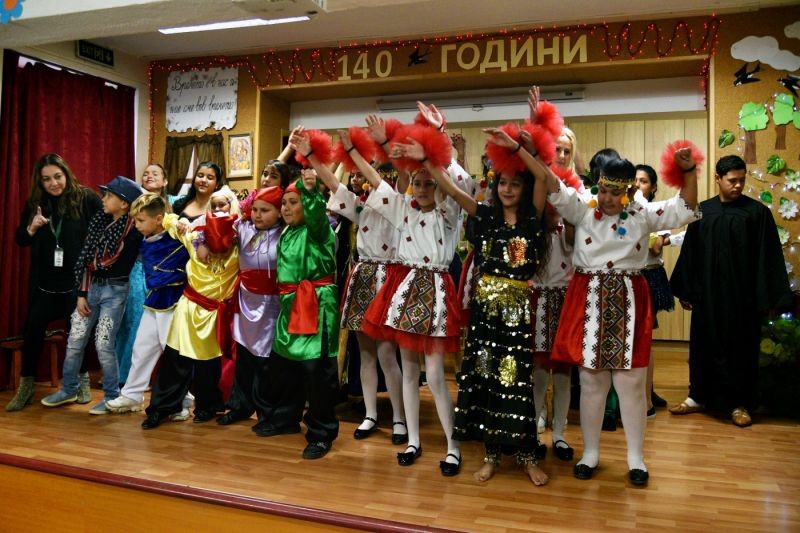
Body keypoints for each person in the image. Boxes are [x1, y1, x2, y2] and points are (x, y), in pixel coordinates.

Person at [546, 146, 699, 486]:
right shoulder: (584, 207)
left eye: (615, 192)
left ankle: (636, 459)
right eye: (603, 190)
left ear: (629, 190)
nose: (607, 198)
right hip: (589, 299)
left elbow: (685, 208)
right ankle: (590, 454)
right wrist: (529, 150)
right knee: (591, 383)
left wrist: (689, 172)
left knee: (631, 384)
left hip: (629, 300)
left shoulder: (642, 213)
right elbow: (552, 185)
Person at [363, 112, 470, 476]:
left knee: (436, 375)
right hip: (407, 291)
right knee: (409, 371)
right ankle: (413, 440)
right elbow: (379, 179)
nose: (422, 188)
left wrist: (437, 135)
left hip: (437, 291)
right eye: (417, 183)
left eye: (429, 183)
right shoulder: (404, 210)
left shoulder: (449, 214)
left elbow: (457, 182)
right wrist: (382, 143)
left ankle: (453, 445)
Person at [448, 119, 550, 485]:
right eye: (502, 182)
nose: (507, 189)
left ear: (524, 188)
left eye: (514, 183)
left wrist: (518, 148)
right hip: (485, 313)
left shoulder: (532, 217)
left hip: (516, 315)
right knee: (487, 379)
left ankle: (526, 455)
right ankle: (491, 455)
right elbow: (452, 190)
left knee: (516, 381)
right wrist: (428, 157)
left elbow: (544, 177)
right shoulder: (486, 214)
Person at [669, 154, 792, 427]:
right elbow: (691, 253)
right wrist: (687, 290)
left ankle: (740, 404)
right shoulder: (703, 212)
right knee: (703, 346)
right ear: (718, 179)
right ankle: (698, 397)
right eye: (732, 180)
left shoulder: (756, 213)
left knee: (741, 350)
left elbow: (768, 258)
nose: (738, 186)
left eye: (741, 181)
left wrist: (767, 299)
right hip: (708, 297)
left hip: (741, 298)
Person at [316, 128, 408, 445]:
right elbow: (333, 184)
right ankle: (370, 414)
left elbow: (379, 181)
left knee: (386, 354)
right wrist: (314, 156)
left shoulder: (398, 204)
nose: (374, 180)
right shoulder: (364, 207)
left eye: (384, 175)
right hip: (363, 276)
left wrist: (354, 150)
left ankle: (399, 417)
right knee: (365, 353)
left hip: (386, 278)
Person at [257, 161, 340, 460]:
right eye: (285, 203)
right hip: (290, 305)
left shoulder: (319, 230)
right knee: (285, 367)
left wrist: (311, 191)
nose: (287, 208)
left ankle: (321, 433)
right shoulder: (287, 232)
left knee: (317, 373)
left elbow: (317, 213)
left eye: (294, 202)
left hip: (317, 306)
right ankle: (285, 418)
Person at [6, 154, 102, 411]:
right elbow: (21, 239)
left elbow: (105, 228)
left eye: (58, 177)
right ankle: (26, 388)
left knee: (78, 336)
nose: (54, 183)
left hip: (76, 285)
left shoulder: (86, 198)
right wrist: (32, 227)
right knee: (32, 333)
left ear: (66, 174)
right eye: (47, 179)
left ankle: (81, 382)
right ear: (40, 181)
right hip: (45, 285)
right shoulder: (36, 203)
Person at [41, 176, 144, 414]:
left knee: (104, 344)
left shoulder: (135, 230)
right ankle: (69, 389)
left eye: (109, 195)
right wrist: (81, 294)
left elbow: (107, 260)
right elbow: (86, 260)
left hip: (115, 291)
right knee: (75, 340)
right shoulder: (99, 221)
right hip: (90, 288)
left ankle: (111, 396)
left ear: (124, 204)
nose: (103, 199)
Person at [140, 207, 239, 429]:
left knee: (208, 365)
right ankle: (160, 408)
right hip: (188, 310)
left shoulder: (240, 250)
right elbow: (167, 219)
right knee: (174, 360)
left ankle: (207, 406)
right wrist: (181, 223)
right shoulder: (194, 239)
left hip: (214, 315)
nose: (216, 254)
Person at [105, 193, 191, 417]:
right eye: (136, 220)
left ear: (159, 218)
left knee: (173, 353)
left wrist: (183, 223)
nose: (137, 225)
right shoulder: (146, 237)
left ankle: (183, 399)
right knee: (141, 348)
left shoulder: (177, 234)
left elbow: (194, 234)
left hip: (175, 299)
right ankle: (132, 394)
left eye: (141, 220)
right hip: (154, 299)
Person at [219, 186, 283, 429]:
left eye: (265, 210)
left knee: (267, 361)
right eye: (255, 209)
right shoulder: (243, 228)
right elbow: (211, 230)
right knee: (244, 356)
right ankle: (239, 406)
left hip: (272, 304)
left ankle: (267, 412)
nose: (257, 214)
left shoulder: (286, 233)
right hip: (245, 301)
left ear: (279, 212)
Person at [115, 164, 174, 388]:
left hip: (166, 280)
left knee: (159, 333)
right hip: (138, 268)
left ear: (165, 180)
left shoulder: (173, 207)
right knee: (132, 322)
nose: (149, 176)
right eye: (145, 173)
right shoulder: (135, 204)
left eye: (155, 173)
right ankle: (124, 378)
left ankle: (151, 381)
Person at [634, 164, 673, 415]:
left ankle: (647, 394)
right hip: (634, 274)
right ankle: (645, 392)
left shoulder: (656, 212)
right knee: (638, 337)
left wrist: (660, 237)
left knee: (646, 337)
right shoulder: (626, 210)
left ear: (653, 186)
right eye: (635, 180)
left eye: (644, 181)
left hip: (651, 275)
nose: (638, 185)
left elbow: (655, 248)